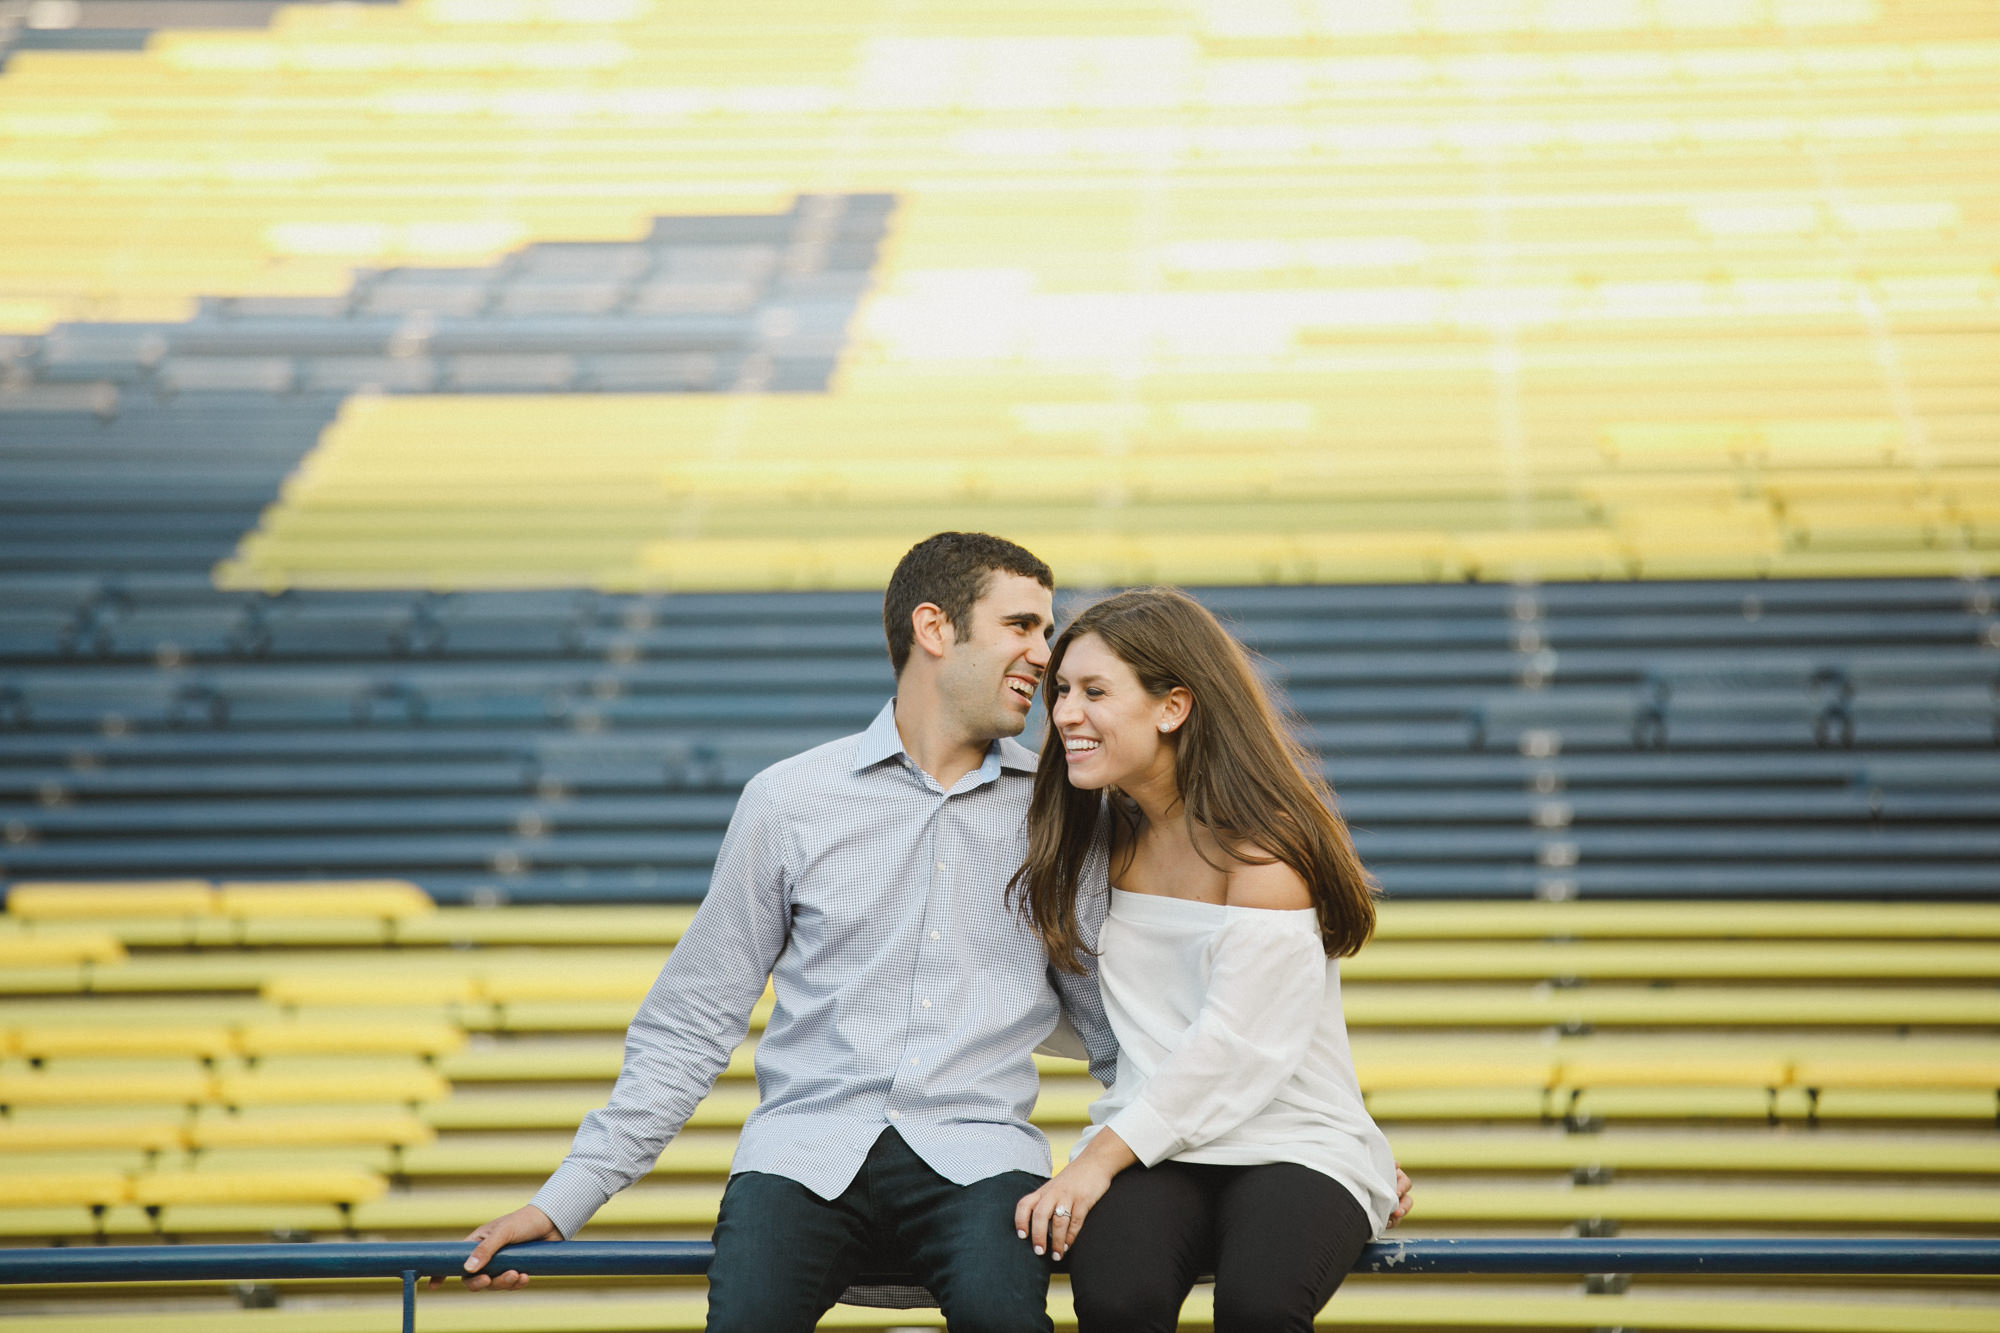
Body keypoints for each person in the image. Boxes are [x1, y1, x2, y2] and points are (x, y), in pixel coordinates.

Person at [441, 532, 1120, 1333]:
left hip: (981, 1157)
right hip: (802, 1151)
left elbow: (1115, 1024)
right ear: (933, 628)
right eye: (1022, 626)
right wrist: (564, 1201)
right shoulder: (787, 800)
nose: (1045, 654)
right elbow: (692, 1021)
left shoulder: (1065, 811)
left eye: (1046, 629)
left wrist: (1112, 1168)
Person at [1011, 587, 1409, 1332]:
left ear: (1173, 707)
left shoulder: (1262, 849)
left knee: (1259, 1307)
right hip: (1161, 1142)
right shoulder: (1096, 839)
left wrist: (1097, 1156)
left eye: (1095, 691)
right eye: (1061, 690)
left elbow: (1238, 1047)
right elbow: (1078, 1009)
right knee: (1118, 1296)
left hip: (1292, 1136)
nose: (1063, 711)